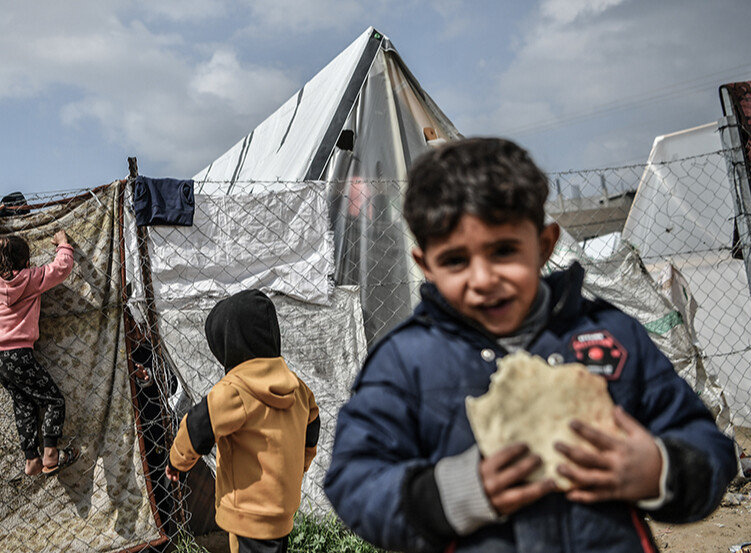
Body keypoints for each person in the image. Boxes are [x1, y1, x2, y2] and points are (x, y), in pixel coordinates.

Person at [323, 138, 737, 552]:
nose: (483, 279)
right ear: (425, 266)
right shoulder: (404, 362)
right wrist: (450, 494)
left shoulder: (610, 336)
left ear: (544, 245)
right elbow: (354, 479)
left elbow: (705, 443)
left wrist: (658, 470)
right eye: (455, 260)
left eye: (503, 251)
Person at [165, 289, 320, 553]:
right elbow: (311, 429)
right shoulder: (298, 389)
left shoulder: (235, 390)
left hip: (246, 514)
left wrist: (177, 462)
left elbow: (198, 425)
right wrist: (299, 465)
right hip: (282, 510)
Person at [0, 200, 79, 477]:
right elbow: (61, 268)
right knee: (54, 400)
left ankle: (31, 460)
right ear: (26, 262)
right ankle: (50, 453)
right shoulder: (31, 279)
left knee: (23, 403)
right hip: (21, 355)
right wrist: (63, 243)